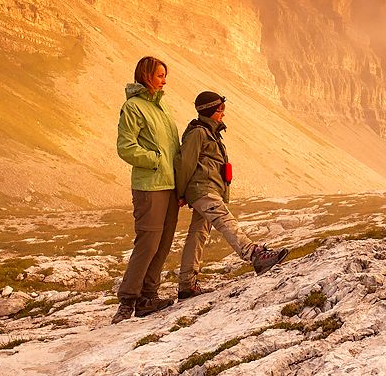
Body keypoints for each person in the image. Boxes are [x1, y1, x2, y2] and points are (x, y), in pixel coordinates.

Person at [175, 90, 288, 299]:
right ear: (209, 111)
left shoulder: (211, 133)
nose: (223, 114)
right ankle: (254, 255)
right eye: (220, 110)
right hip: (202, 190)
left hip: (207, 189)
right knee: (225, 220)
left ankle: (186, 285)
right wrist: (181, 193)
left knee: (198, 235)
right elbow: (185, 164)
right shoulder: (198, 133)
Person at [111, 56, 181, 324]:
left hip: (170, 185)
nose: (165, 80)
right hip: (150, 185)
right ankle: (127, 300)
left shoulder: (162, 106)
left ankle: (148, 298)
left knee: (163, 243)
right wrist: (154, 160)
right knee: (147, 243)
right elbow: (125, 146)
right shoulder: (133, 107)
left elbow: (172, 146)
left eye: (165, 75)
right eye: (160, 75)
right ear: (146, 75)